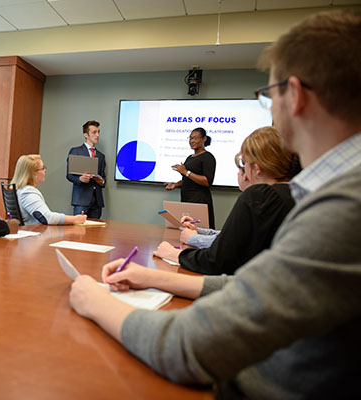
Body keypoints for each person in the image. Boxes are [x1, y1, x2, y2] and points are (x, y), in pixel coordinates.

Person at [69, 10, 361, 398]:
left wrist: (94, 301)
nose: (270, 110)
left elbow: (188, 346)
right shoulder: (333, 192)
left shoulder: (344, 207)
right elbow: (255, 290)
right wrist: (154, 276)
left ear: (296, 96)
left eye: (268, 96)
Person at [155, 126, 300, 275]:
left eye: (244, 166)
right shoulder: (297, 194)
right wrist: (199, 231)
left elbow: (219, 257)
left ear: (256, 169)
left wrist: (176, 253)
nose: (243, 175)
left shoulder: (259, 197)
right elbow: (233, 237)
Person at [11, 154, 87, 225]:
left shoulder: (22, 190)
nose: (45, 170)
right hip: (34, 236)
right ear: (33, 173)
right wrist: (75, 219)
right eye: (42, 168)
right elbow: (47, 218)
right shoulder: (28, 193)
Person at [165, 127, 216, 228]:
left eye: (195, 138)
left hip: (199, 201)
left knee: (200, 231)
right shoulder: (190, 157)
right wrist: (175, 185)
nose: (192, 141)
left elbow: (207, 181)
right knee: (187, 230)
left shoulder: (208, 157)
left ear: (204, 139)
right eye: (190, 138)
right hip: (187, 199)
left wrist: (186, 172)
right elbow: (188, 180)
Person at [66, 120, 106, 218]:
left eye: (98, 132)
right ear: (85, 135)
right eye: (94, 132)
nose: (97, 135)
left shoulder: (101, 156)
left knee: (96, 232)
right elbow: (69, 175)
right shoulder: (75, 151)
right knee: (79, 231)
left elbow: (103, 178)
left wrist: (101, 181)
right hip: (81, 200)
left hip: (97, 202)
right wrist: (80, 179)